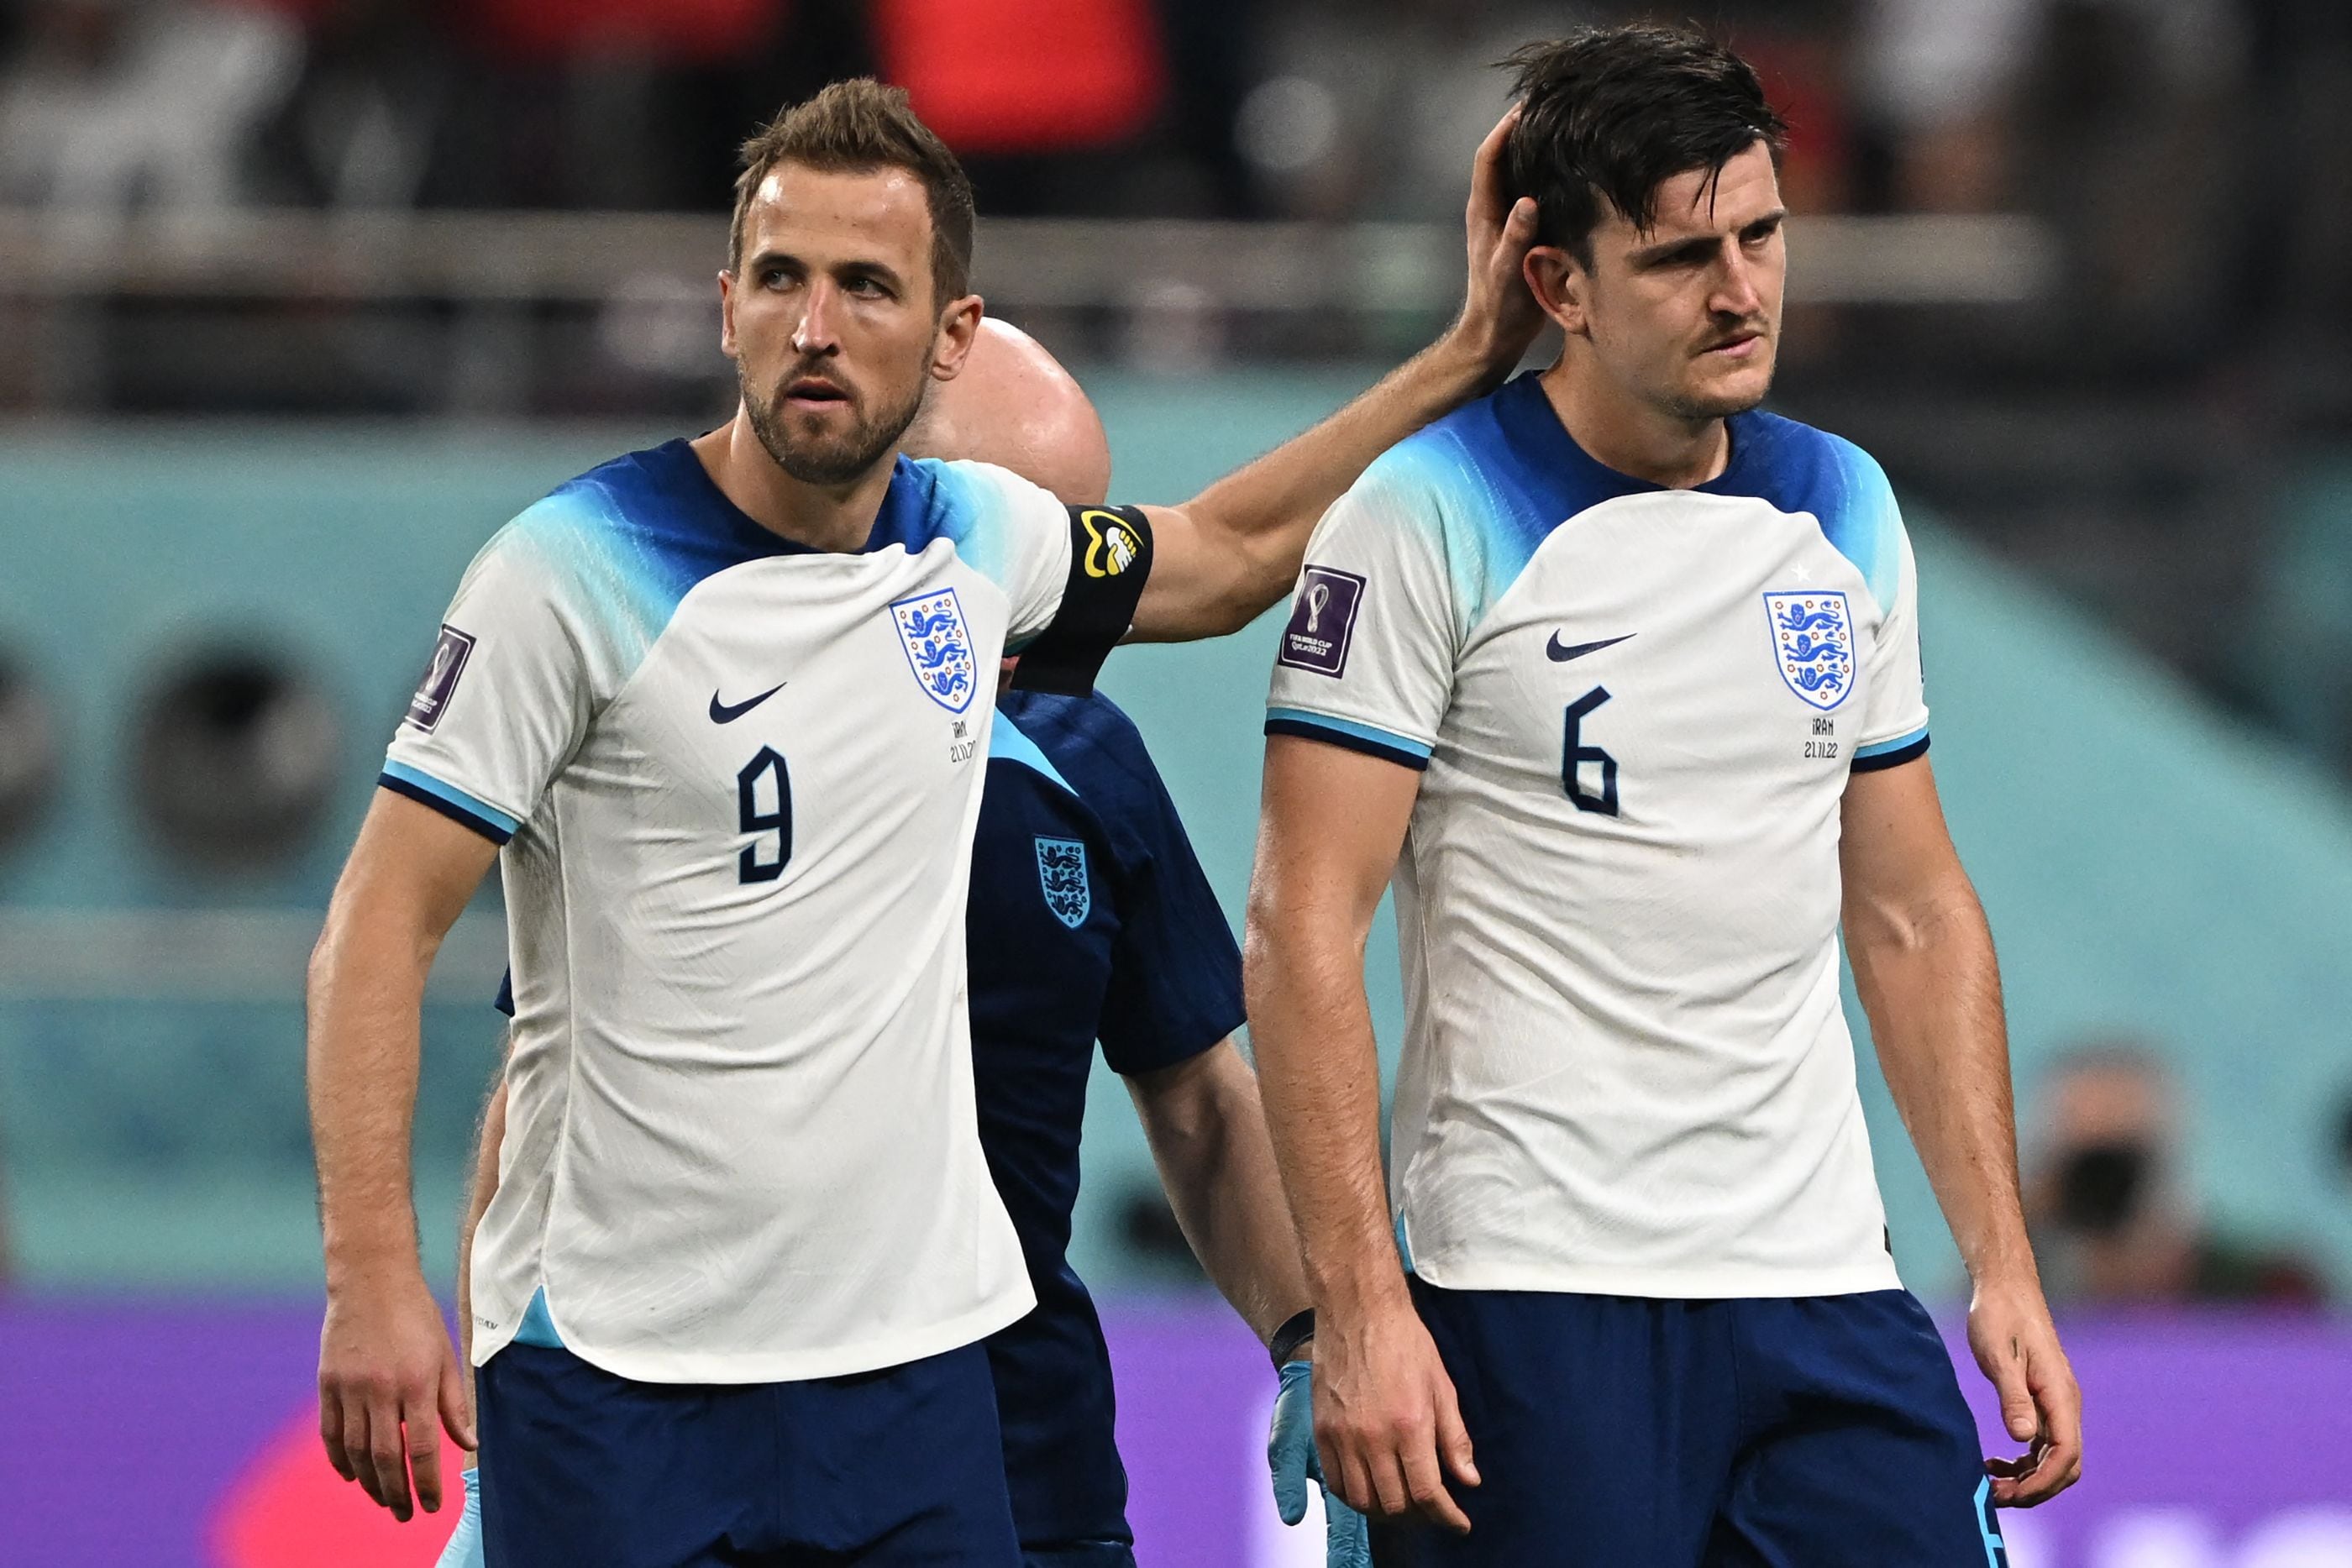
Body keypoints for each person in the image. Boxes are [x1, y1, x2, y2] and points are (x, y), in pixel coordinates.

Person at [307, 77, 1537, 1568]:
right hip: (623, 1380)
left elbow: (1225, 554)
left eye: (866, 286)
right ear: (726, 304)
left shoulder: (973, 539)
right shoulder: (566, 573)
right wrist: (370, 1273)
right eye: (781, 279)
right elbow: (380, 921)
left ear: (948, 330)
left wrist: (1470, 355)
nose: (814, 327)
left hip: (908, 1381)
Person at [1245, 25, 2082, 1567]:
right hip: (1532, 1299)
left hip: (1823, 1288)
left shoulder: (1843, 503)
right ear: (1558, 286)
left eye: (1762, 235)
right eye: (1682, 255)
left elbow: (1907, 909)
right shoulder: (1422, 514)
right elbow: (1303, 920)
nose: (1742, 289)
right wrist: (1363, 1303)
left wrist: (2001, 1262)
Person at [428, 319, 1369, 1568]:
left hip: (1024, 1455)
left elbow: (1197, 1097)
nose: (1072, 587)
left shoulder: (1093, 766)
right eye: (1037, 526)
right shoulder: (691, 729)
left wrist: (1312, 1333)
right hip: (704, 1430)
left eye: (1091, 532)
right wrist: (502, 1453)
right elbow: (539, 1094)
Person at [2025, 1042, 2328, 1308]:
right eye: (2087, 1166)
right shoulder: (2014, 1298)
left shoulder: (2269, 1293)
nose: (2104, 1187)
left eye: (2123, 1163)